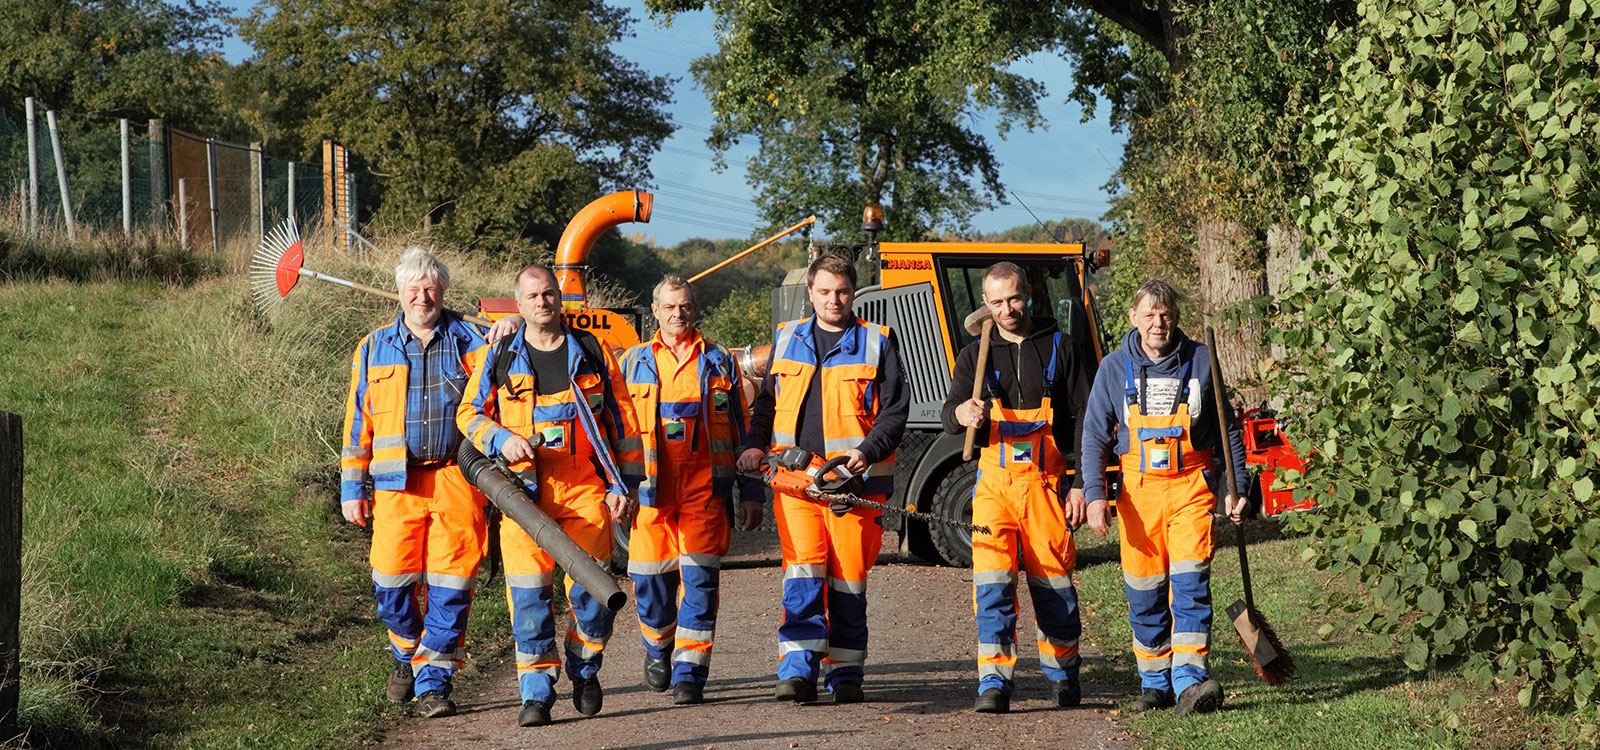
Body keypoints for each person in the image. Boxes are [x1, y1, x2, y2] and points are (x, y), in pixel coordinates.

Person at [457, 264, 643, 728]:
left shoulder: (594, 352)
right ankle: (536, 694)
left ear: (561, 299)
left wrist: (628, 487)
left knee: (596, 595)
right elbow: (468, 415)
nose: (542, 301)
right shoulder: (499, 354)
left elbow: (624, 425)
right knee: (528, 600)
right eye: (533, 296)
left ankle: (584, 670)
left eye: (549, 294)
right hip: (523, 495)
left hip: (585, 490)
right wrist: (500, 439)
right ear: (518, 305)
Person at [339, 248, 519, 719]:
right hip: (395, 485)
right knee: (391, 586)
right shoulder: (373, 346)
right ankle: (406, 656)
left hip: (455, 480)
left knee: (451, 586)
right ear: (400, 293)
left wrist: (510, 326)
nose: (423, 296)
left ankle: (433, 683)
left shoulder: (471, 341)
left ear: (443, 291)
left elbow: (518, 358)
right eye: (414, 289)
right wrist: (352, 488)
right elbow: (358, 425)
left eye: (431, 288)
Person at [736, 253, 910, 704]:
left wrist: (864, 453)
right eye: (825, 291)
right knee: (802, 576)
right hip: (795, 483)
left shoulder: (879, 341)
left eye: (843, 291)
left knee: (848, 580)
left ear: (854, 293)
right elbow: (767, 406)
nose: (834, 299)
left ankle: (846, 673)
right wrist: (755, 445)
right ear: (810, 292)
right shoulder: (786, 338)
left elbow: (894, 413)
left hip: (853, 488)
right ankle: (797, 673)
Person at [1078, 279, 1249, 717]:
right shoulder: (1113, 368)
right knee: (1144, 590)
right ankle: (1155, 684)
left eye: (1166, 314)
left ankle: (1190, 681)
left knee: (1191, 584)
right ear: (1134, 318)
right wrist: (1095, 495)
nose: (1158, 323)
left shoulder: (1202, 361)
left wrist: (1237, 488)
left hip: (1191, 488)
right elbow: (1095, 435)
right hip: (1138, 497)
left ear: (1175, 318)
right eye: (1149, 315)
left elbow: (1228, 432)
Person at [940, 262, 1094, 714]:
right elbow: (950, 415)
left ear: (1028, 294)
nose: (1007, 309)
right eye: (997, 301)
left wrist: (1082, 483)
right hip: (993, 490)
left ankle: (1064, 676)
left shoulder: (1061, 348)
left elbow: (1087, 418)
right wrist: (962, 416)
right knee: (992, 586)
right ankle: (994, 681)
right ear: (985, 305)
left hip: (1047, 488)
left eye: (1014, 298)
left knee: (1055, 586)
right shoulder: (973, 357)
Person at [619, 275, 766, 705]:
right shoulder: (632, 363)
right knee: (649, 586)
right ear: (655, 311)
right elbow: (613, 431)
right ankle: (658, 646)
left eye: (684, 306)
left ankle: (690, 674)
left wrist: (752, 492)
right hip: (650, 495)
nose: (677, 314)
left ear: (694, 309)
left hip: (705, 492)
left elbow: (744, 431)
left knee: (700, 585)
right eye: (669, 307)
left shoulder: (719, 362)